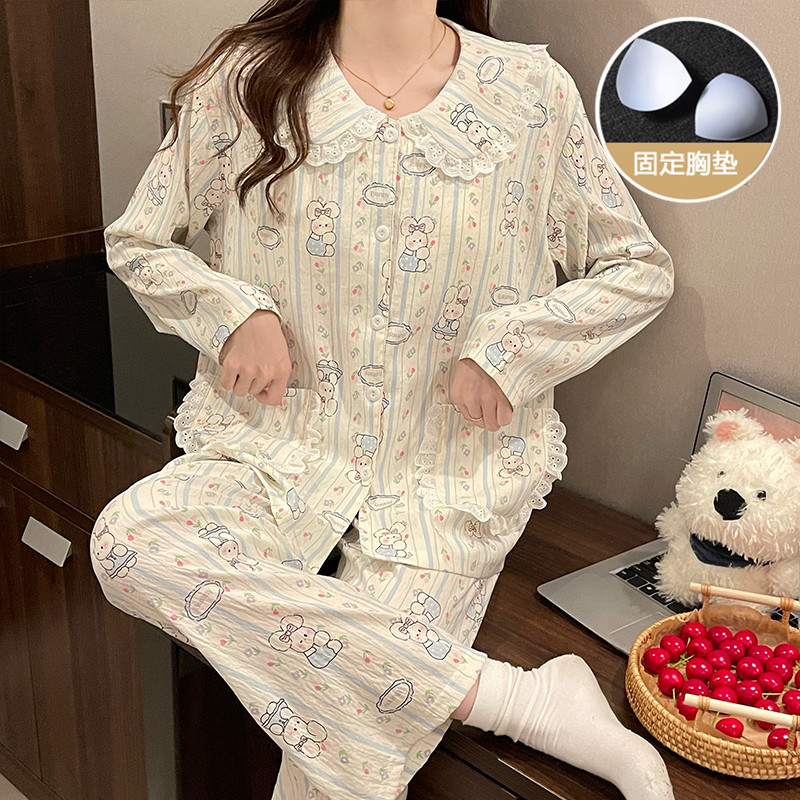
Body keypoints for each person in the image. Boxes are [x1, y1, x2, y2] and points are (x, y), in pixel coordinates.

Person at [90, 1, 676, 798]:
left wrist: (512, 350)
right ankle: (522, 701)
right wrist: (230, 316)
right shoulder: (246, 83)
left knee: (338, 764)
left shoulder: (530, 94)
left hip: (442, 480)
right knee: (129, 542)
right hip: (273, 453)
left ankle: (527, 701)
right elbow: (138, 240)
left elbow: (636, 268)